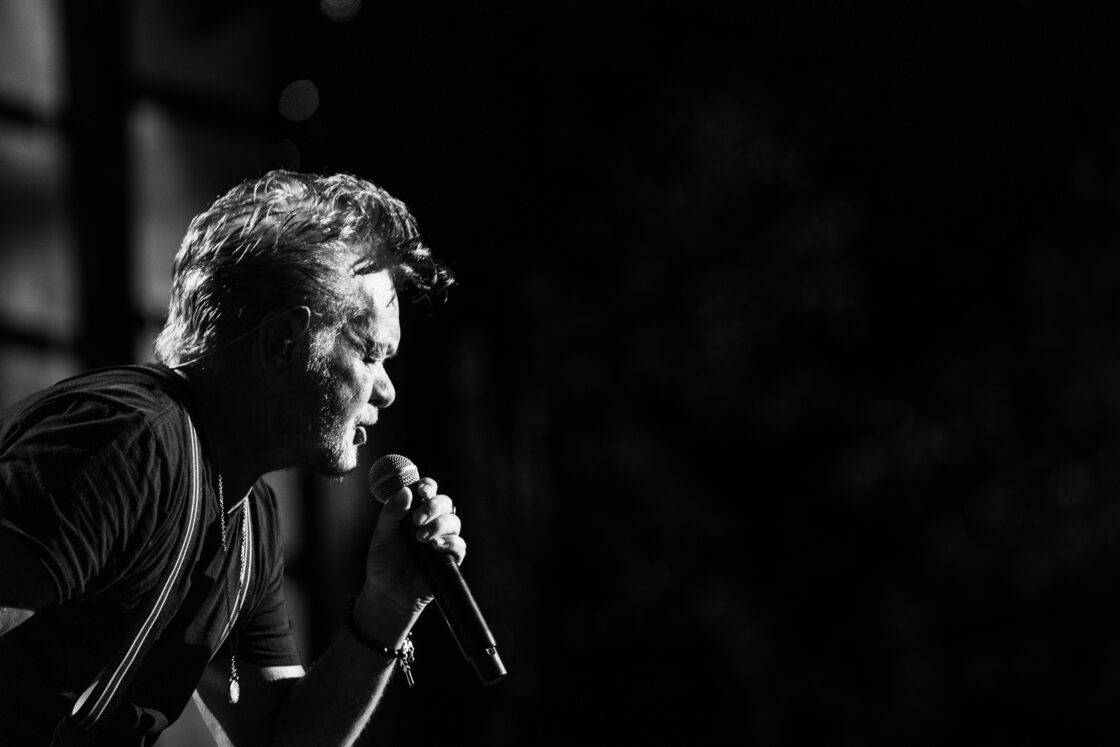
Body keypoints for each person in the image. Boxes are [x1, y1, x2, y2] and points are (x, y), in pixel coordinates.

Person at [0, 171, 463, 745]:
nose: (387, 390)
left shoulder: (247, 516)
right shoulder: (132, 442)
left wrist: (387, 606)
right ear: (283, 342)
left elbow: (281, 740)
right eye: (370, 352)